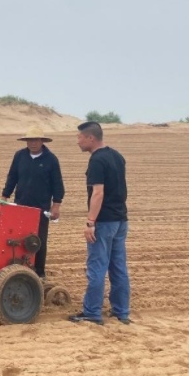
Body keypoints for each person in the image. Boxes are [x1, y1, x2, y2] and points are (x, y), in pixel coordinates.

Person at [69, 121, 131, 325]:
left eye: (79, 137)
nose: (78, 141)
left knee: (97, 266)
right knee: (118, 267)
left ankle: (92, 312)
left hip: (103, 221)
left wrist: (90, 222)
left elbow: (98, 193)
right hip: (120, 220)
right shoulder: (117, 156)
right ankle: (122, 312)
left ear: (91, 138)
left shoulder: (97, 160)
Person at [0, 126, 65, 280]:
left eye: (35, 140)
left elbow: (57, 184)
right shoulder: (20, 156)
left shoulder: (51, 159)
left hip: (40, 208)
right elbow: (12, 177)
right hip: (21, 205)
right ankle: (19, 267)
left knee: (38, 240)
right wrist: (4, 196)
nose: (32, 143)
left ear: (42, 141)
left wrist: (56, 205)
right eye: (29, 140)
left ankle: (39, 273)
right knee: (18, 237)